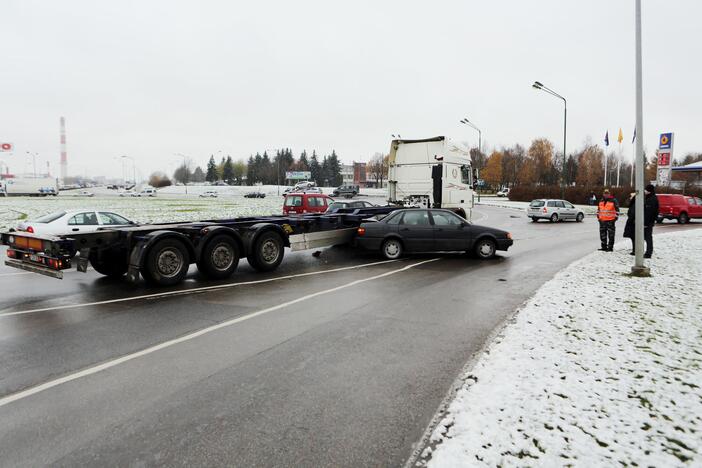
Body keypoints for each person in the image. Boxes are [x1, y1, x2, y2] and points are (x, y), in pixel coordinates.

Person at [623, 185, 659, 258]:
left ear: (649, 191)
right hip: (641, 221)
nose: (645, 191)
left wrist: (645, 223)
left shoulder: (652, 199)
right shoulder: (647, 198)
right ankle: (638, 250)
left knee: (647, 237)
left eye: (646, 190)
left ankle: (648, 253)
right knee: (638, 236)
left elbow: (650, 213)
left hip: (647, 223)